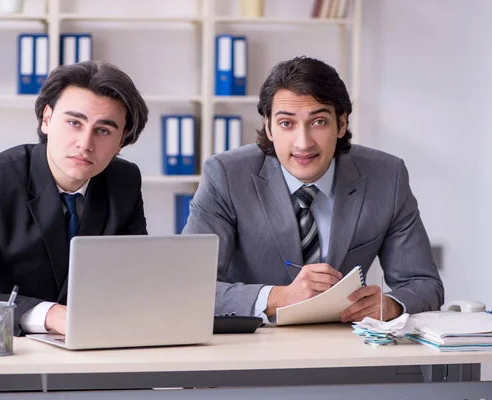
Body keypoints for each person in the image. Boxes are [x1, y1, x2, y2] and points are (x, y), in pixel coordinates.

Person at [183, 56, 443, 323]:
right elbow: (189, 288)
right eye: (287, 123)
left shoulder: (387, 176)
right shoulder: (226, 175)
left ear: (341, 124)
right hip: (254, 348)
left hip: (347, 346)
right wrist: (278, 298)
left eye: (318, 122)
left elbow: (424, 284)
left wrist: (390, 305)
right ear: (269, 127)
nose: (303, 143)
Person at [0, 61, 149, 335]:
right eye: (74, 123)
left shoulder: (124, 181)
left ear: (122, 140)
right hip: (7, 352)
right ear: (47, 119)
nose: (85, 144)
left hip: (97, 346)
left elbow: (136, 281)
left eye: (103, 131)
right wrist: (51, 315)